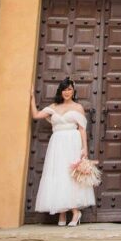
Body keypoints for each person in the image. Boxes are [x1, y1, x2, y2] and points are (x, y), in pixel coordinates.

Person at [30, 77, 95, 226]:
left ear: (73, 91)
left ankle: (75, 212)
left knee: (70, 176)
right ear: (61, 91)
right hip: (57, 143)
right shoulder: (53, 107)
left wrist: (84, 148)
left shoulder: (78, 107)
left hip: (72, 142)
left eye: (70, 89)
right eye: (64, 89)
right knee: (58, 174)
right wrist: (32, 96)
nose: (67, 92)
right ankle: (62, 214)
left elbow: (82, 129)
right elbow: (36, 115)